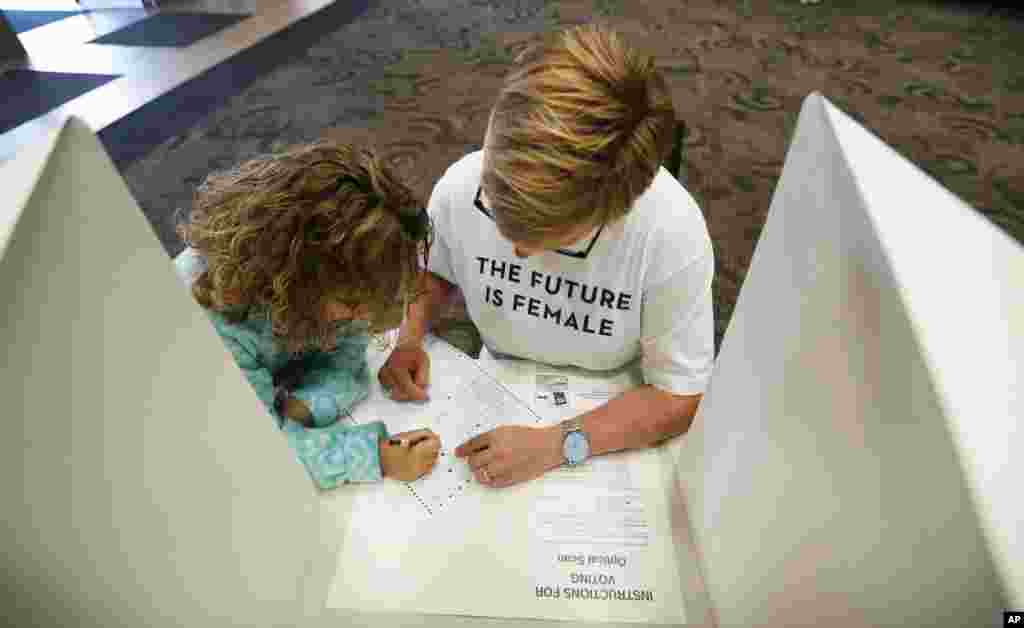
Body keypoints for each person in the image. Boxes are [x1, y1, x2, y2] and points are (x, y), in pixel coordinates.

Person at [379, 23, 715, 489]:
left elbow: (680, 396)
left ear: (612, 213)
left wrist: (560, 444)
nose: (516, 250)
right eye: (496, 214)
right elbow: (436, 273)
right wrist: (409, 337)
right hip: (497, 378)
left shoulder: (671, 232)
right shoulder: (461, 185)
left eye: (544, 239)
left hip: (617, 402)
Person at [174, 141, 442, 490]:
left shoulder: (345, 276)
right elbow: (256, 450)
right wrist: (375, 456)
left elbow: (348, 363)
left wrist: (306, 404)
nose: (363, 315)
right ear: (296, 279)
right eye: (351, 303)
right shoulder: (217, 321)